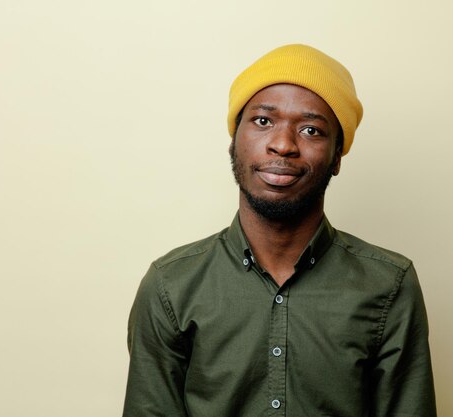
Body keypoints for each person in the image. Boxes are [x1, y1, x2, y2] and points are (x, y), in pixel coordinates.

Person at [122, 44, 436, 417]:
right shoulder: (171, 285)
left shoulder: (389, 285)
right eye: (263, 121)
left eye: (310, 129)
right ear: (233, 141)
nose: (283, 145)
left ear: (337, 157)